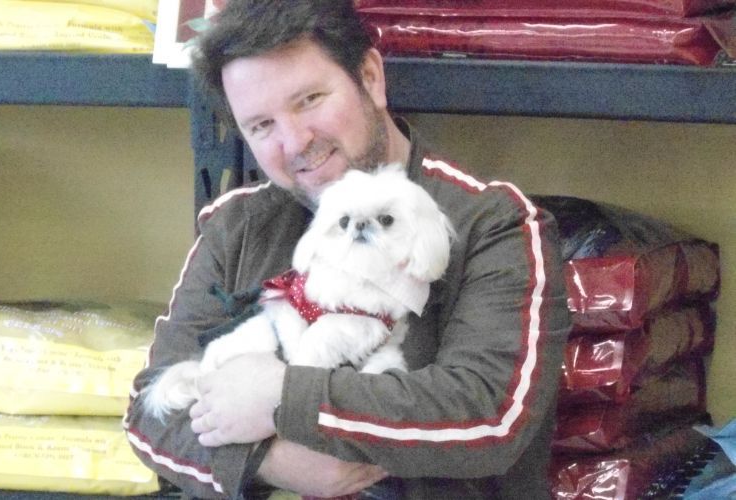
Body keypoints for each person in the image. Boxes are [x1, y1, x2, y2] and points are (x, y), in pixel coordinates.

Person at [123, 0, 571, 498]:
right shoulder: (237, 225)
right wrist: (266, 461)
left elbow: (488, 416)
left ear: (371, 78)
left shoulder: (495, 224)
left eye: (309, 99)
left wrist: (283, 394)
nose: (294, 143)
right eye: (261, 126)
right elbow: (150, 413)